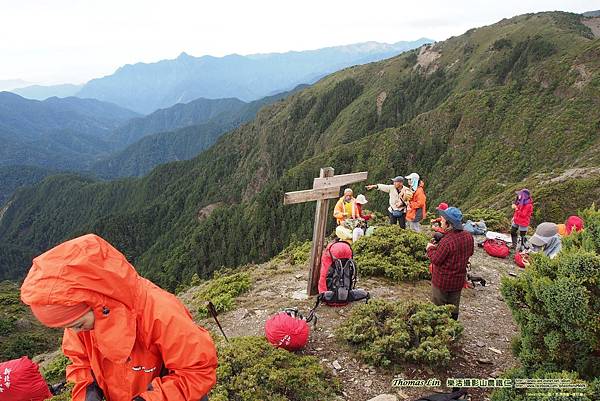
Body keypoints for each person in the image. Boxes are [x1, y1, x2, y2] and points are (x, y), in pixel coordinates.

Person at [20, 234, 218, 401]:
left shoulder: (161, 313)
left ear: (98, 304)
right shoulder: (81, 319)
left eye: (78, 324)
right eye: (68, 327)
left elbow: (197, 372)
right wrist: (87, 391)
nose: (74, 332)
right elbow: (79, 362)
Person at [426, 207, 474, 320]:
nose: (441, 222)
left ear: (448, 223)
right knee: (453, 306)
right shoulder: (468, 236)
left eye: (443, 220)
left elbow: (436, 260)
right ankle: (452, 328)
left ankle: (438, 330)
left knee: (438, 306)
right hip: (458, 280)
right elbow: (470, 252)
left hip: (442, 281)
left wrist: (430, 249)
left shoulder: (447, 241)